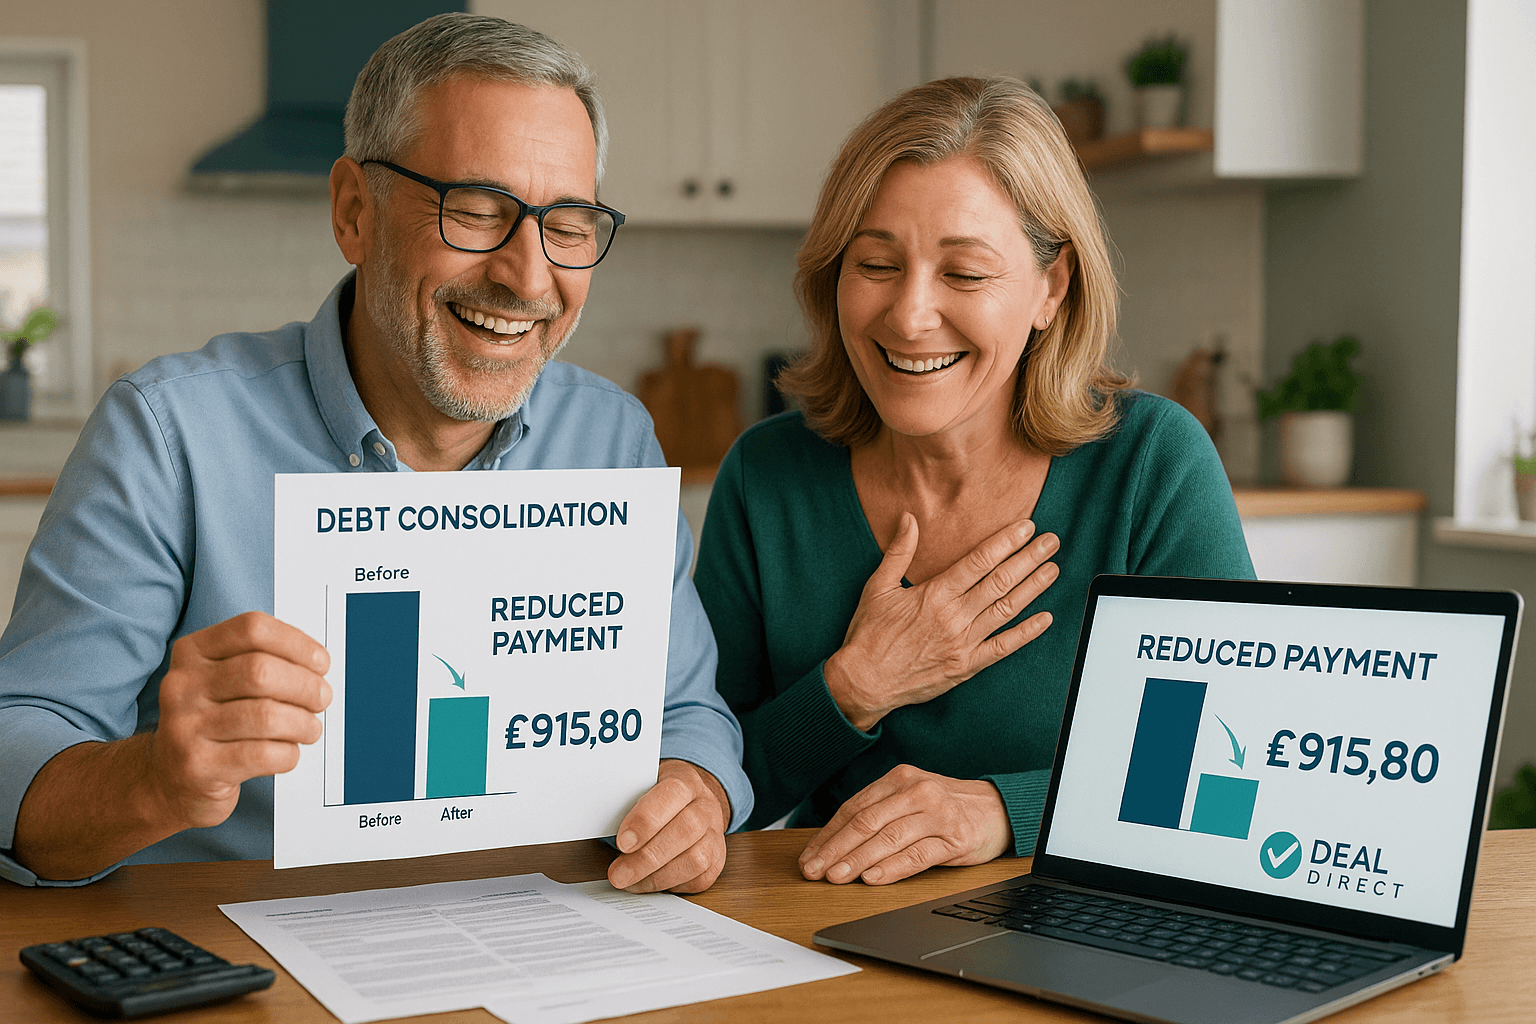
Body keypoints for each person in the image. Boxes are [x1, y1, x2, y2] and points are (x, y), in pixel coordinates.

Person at [0, 13, 750, 893]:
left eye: (571, 226)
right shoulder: (168, 437)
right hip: (239, 960)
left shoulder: (614, 440)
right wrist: (156, 779)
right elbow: (19, 755)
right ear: (356, 213)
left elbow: (688, 715)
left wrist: (695, 790)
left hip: (541, 944)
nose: (529, 276)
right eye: (477, 211)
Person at [693, 77, 1253, 888]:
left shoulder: (1151, 466)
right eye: (876, 263)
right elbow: (707, 784)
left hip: (1081, 919)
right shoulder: (768, 475)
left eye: (963, 274)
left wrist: (1002, 812)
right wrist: (857, 686)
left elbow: (1215, 766)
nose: (910, 315)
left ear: (1051, 289)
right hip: (827, 927)